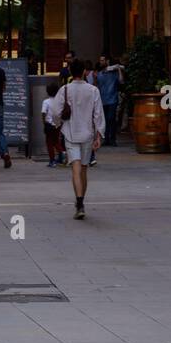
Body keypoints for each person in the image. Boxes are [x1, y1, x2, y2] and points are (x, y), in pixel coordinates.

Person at [50, 58, 104, 219]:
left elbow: (54, 112)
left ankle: (79, 202)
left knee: (75, 167)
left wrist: (58, 123)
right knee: (84, 168)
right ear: (84, 72)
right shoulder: (93, 90)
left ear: (71, 73)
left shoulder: (65, 89)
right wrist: (99, 135)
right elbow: (98, 114)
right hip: (87, 133)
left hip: (71, 132)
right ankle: (81, 201)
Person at [96, 54, 121, 147]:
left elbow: (121, 81)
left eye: (102, 60)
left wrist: (118, 69)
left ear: (107, 61)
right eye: (100, 60)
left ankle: (112, 139)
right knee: (105, 120)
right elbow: (97, 86)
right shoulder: (99, 74)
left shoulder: (114, 73)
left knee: (111, 119)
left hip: (112, 99)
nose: (101, 62)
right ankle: (106, 139)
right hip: (103, 100)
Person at [42, 81, 66, 166]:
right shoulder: (59, 101)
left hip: (49, 124)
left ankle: (52, 160)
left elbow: (44, 113)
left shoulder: (46, 102)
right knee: (56, 141)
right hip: (58, 124)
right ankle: (62, 153)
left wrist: (44, 123)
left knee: (49, 143)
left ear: (47, 91)